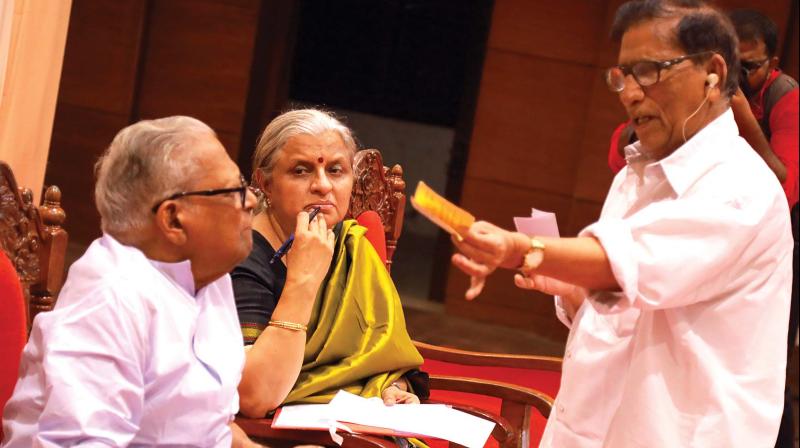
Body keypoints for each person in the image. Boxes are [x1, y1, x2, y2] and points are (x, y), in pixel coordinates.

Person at [450, 1, 792, 446]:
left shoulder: (741, 186)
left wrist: (522, 248)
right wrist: (576, 292)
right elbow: (626, 306)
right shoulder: (636, 175)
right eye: (623, 75)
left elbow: (626, 265)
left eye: (650, 71)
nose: (630, 93)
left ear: (712, 72)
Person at [2, 116, 261, 447]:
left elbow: (210, 428)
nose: (251, 201)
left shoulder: (210, 277)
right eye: (234, 190)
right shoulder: (112, 295)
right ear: (173, 219)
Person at [231, 109, 426, 420]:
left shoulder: (351, 245)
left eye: (336, 171)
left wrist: (393, 387)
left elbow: (383, 354)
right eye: (300, 171)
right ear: (265, 183)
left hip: (355, 423)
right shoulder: (242, 258)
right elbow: (253, 397)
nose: (323, 186)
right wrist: (303, 279)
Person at [727, 10, 799, 447]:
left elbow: (785, 185)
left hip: (787, 240)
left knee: (767, 361)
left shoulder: (785, 96)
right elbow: (619, 153)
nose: (738, 75)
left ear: (772, 63)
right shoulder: (714, 86)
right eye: (731, 62)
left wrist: (742, 117)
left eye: (749, 67)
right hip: (736, 235)